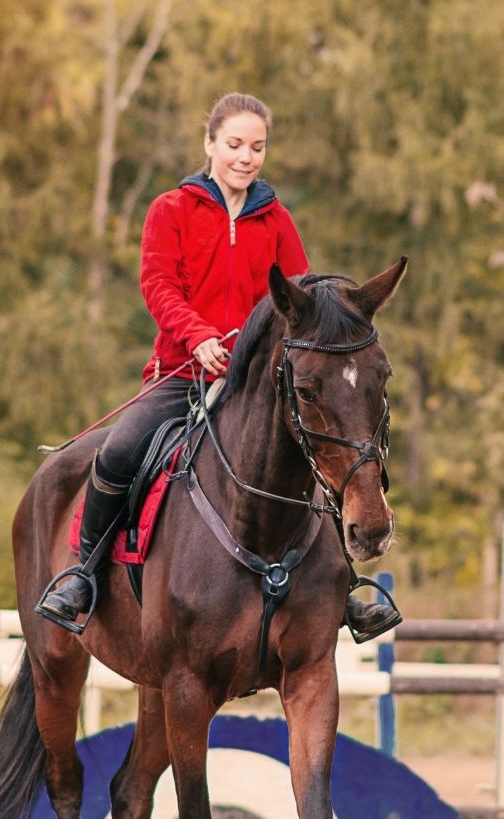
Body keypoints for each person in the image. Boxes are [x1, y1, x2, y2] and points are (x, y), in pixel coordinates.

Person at [36, 92, 400, 640]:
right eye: (234, 144)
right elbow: (158, 284)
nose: (245, 157)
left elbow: (301, 299)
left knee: (318, 456)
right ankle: (81, 577)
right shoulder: (171, 210)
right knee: (117, 454)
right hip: (181, 373)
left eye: (257, 147)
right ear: (210, 144)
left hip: (255, 384)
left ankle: (344, 589)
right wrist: (198, 336)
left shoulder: (277, 219)